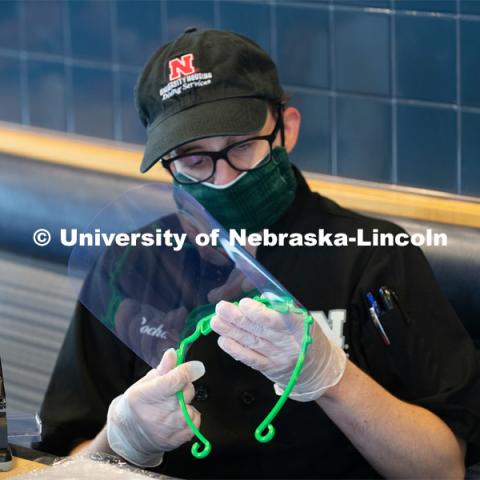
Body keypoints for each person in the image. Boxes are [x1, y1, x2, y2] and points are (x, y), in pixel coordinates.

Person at [38, 28, 480, 478]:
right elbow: (63, 458)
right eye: (193, 159)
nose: (223, 178)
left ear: (286, 128)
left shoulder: (372, 257)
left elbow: (441, 469)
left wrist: (330, 377)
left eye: (242, 146)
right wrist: (118, 444)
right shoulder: (130, 265)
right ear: (167, 162)